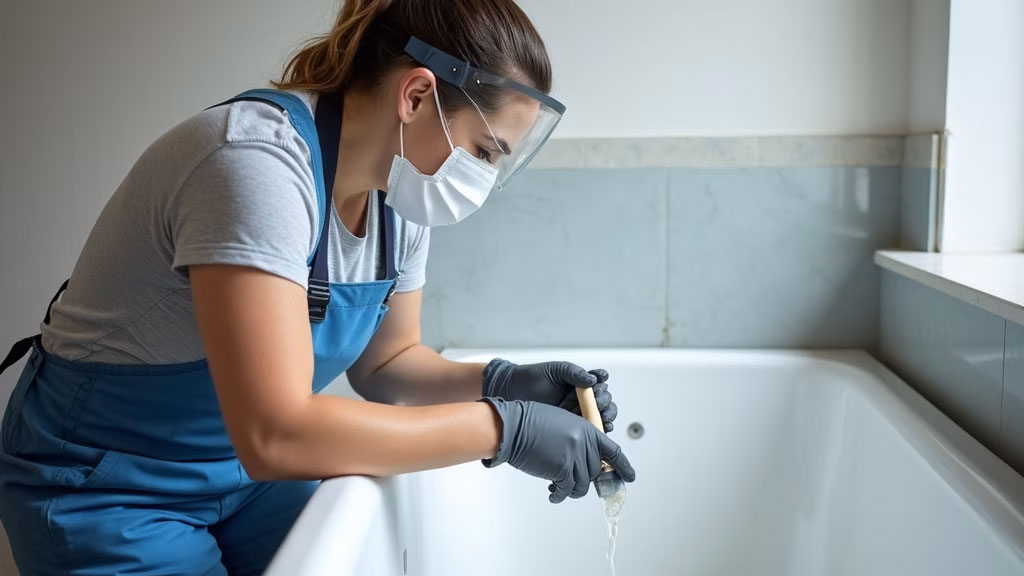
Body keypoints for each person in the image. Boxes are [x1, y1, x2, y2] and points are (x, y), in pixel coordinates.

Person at [0, 0, 636, 573]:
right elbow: (277, 432)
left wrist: (501, 381)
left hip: (246, 473)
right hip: (112, 484)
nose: (483, 178)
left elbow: (386, 364)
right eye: (485, 151)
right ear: (416, 98)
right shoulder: (254, 165)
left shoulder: (398, 199)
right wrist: (505, 429)